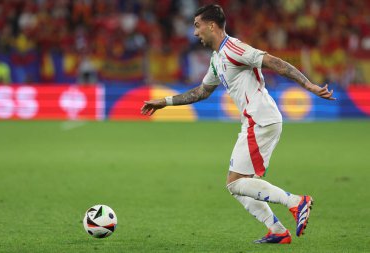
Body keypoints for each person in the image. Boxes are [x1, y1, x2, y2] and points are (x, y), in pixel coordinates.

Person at [141, 4, 335, 244]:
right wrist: (165, 102)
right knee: (239, 184)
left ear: (212, 26)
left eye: (197, 26)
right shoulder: (216, 59)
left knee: (236, 184)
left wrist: (309, 86)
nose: (194, 32)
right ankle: (277, 230)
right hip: (255, 120)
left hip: (260, 118)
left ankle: (296, 202)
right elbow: (202, 92)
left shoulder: (234, 48)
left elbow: (275, 62)